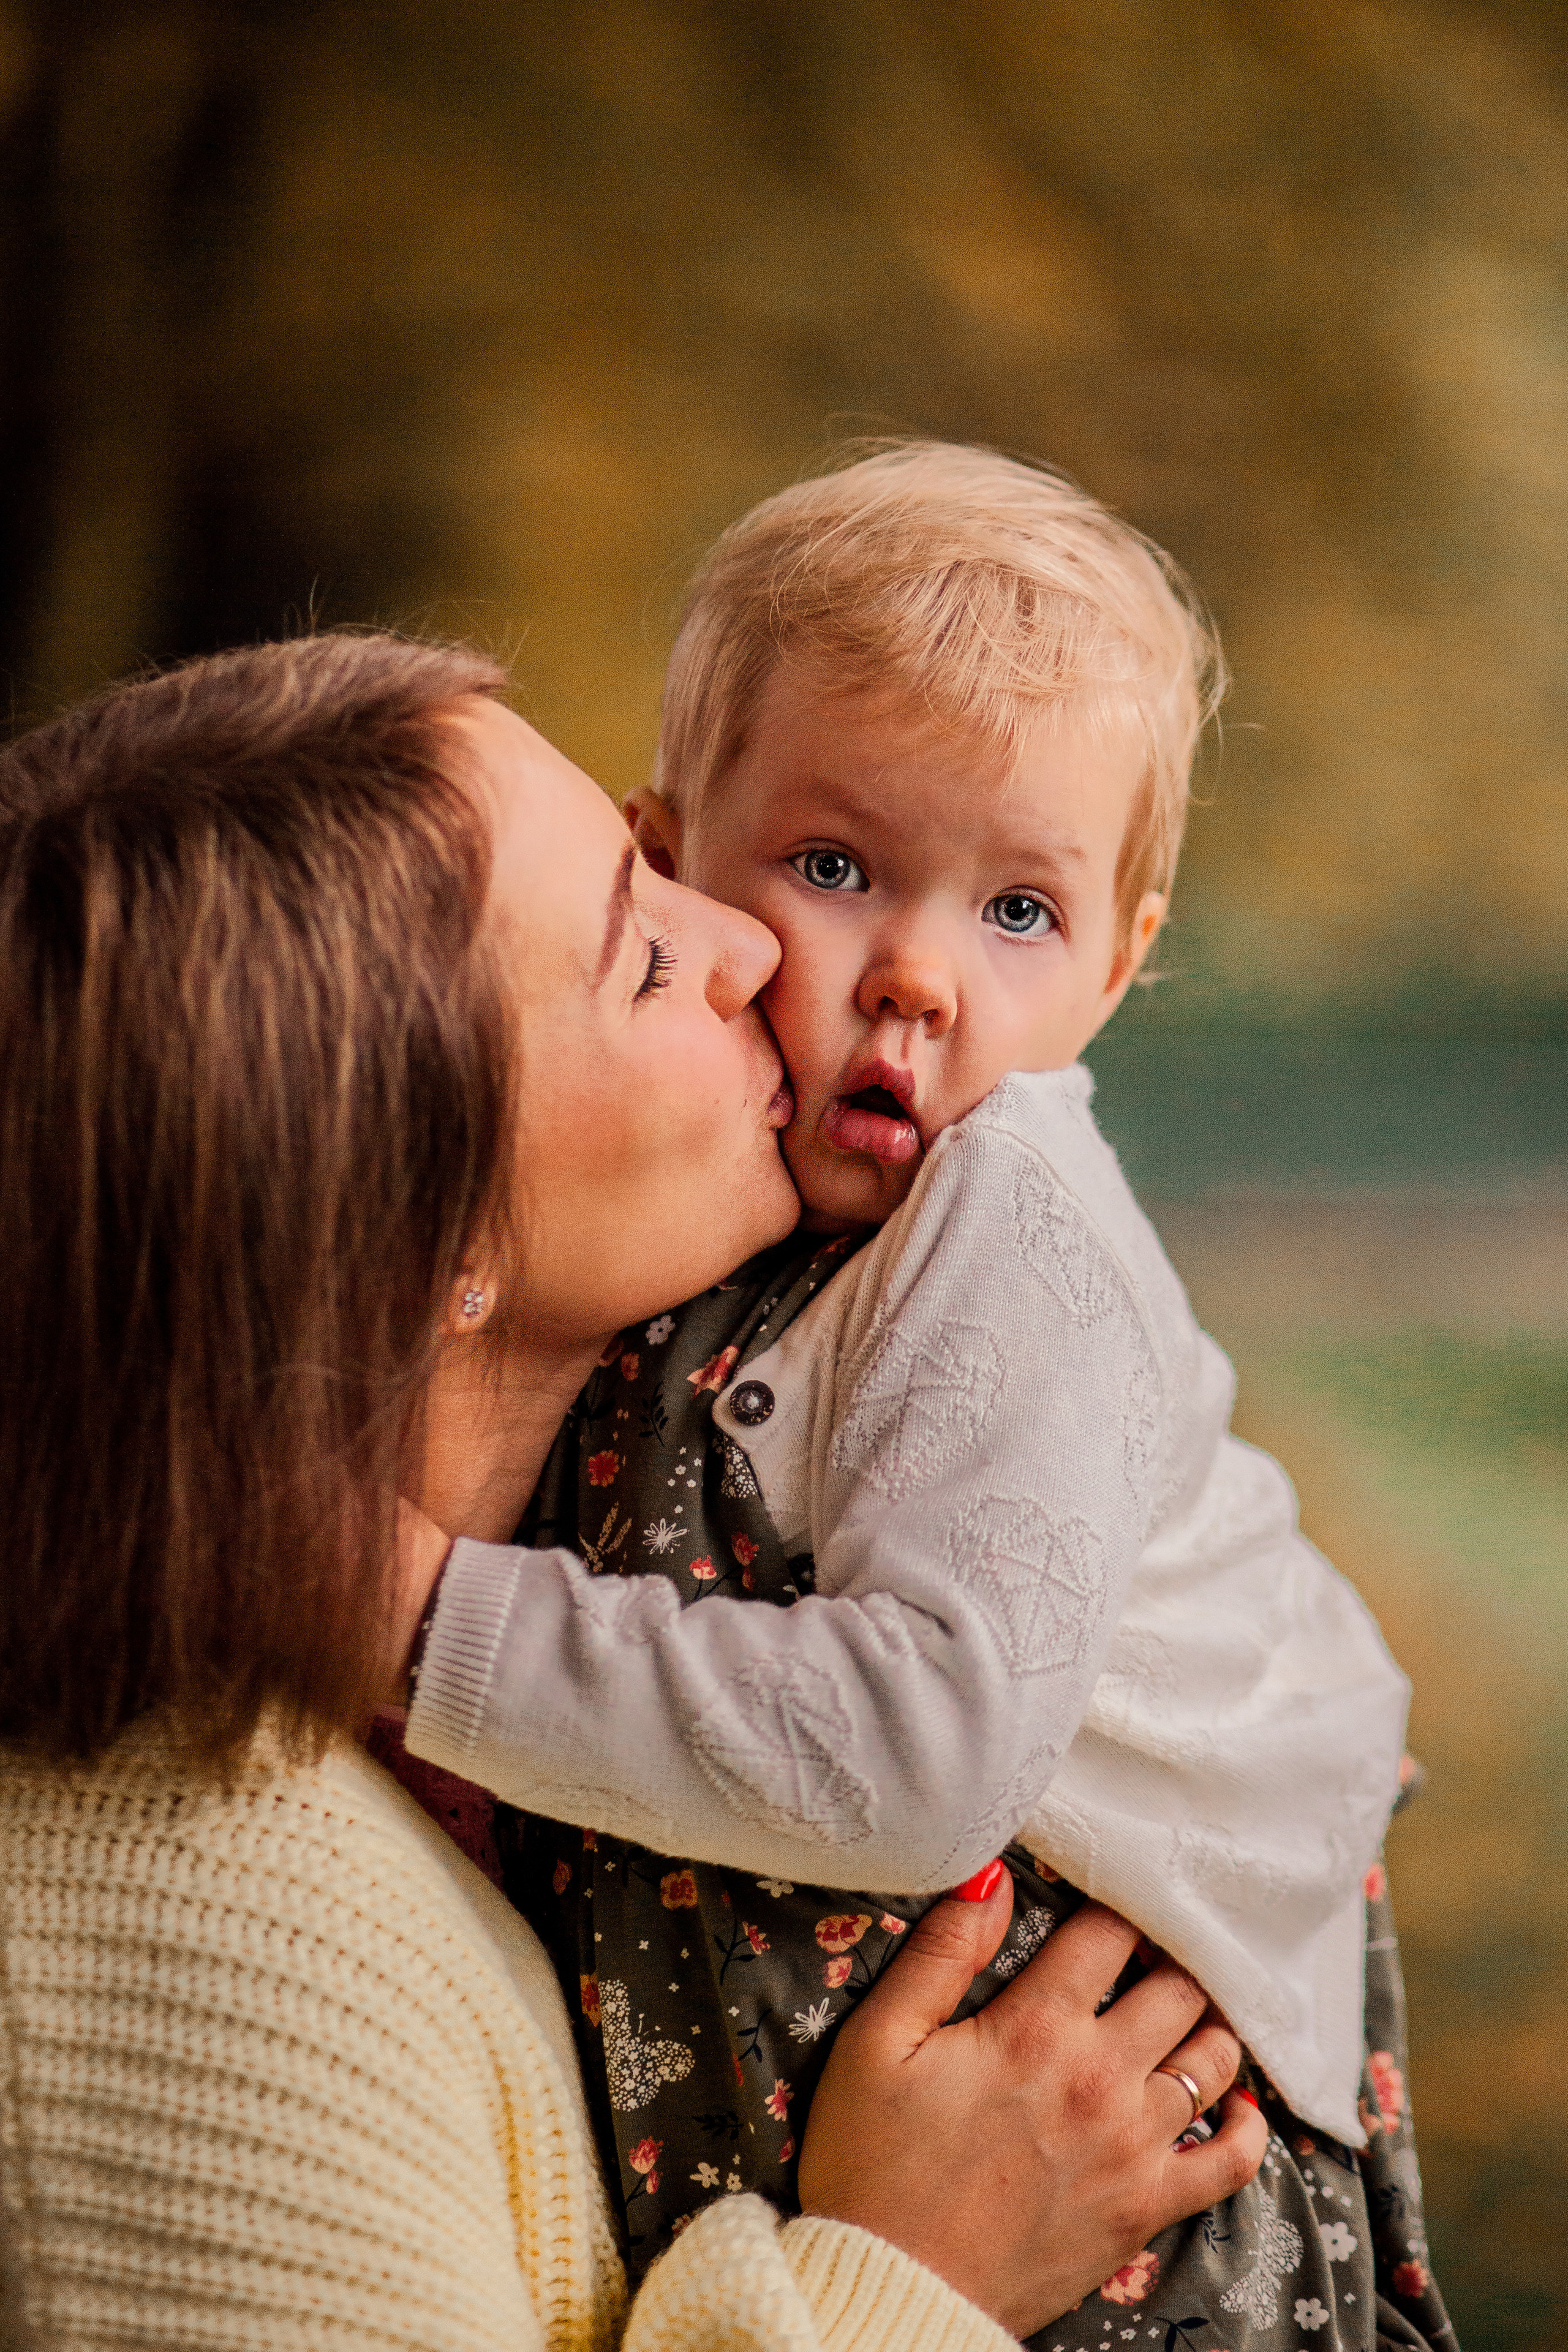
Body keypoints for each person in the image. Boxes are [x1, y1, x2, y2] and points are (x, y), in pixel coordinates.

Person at [0, 631, 1267, 2351]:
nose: (759, 941)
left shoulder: (591, 1630)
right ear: (416, 1241)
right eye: (646, 955)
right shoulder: (199, 1937)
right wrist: (909, 2279)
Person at [394, 450, 1455, 2348]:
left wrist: (417, 1626)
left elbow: (925, 1750)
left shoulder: (1007, 1218)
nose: (915, 978)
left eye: (1019, 914)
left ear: (1123, 968)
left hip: (1131, 2176)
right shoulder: (705, 1209)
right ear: (673, 857)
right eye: (833, 867)